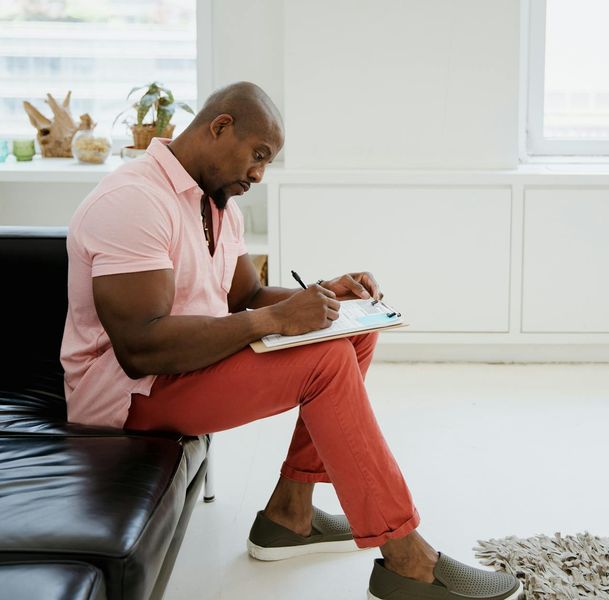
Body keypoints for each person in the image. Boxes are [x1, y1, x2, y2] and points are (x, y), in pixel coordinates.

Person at [61, 81, 522, 600]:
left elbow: (248, 295)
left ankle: (291, 513)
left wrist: (327, 299)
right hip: (127, 396)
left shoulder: (217, 206)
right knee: (323, 359)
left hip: (179, 370)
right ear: (220, 127)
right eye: (257, 156)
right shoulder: (134, 200)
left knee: (350, 334)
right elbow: (139, 347)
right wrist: (275, 320)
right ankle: (407, 557)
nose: (259, 174)